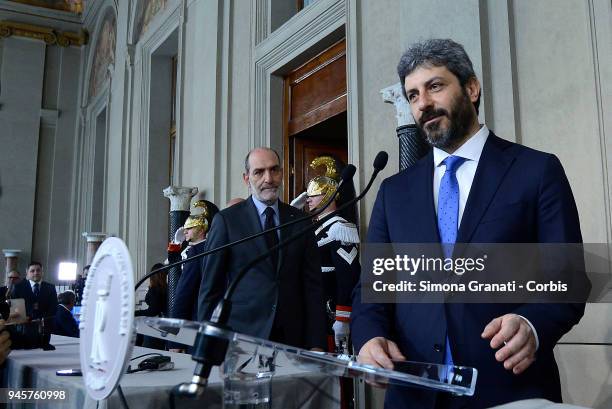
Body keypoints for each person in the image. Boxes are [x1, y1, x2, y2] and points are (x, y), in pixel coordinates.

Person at [351, 39, 585, 409]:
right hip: (414, 394)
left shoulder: (536, 171)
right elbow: (371, 289)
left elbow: (568, 278)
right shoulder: (393, 192)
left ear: (472, 88)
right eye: (412, 95)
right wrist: (368, 338)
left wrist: (532, 323)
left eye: (435, 86)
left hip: (507, 388)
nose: (423, 103)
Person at [198, 147, 327, 350]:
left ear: (282, 173)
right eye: (259, 172)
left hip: (293, 339)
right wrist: (206, 347)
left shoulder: (301, 221)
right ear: (246, 178)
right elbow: (210, 289)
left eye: (274, 170)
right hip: (241, 339)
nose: (269, 178)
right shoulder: (227, 221)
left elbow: (313, 287)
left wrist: (317, 344)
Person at [300, 156, 361, 354]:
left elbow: (348, 276)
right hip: (314, 313)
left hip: (331, 314)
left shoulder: (340, 228)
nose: (308, 199)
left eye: (313, 194)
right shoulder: (314, 228)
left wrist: (343, 317)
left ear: (329, 194)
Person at [169, 200, 218, 352]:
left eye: (190, 228)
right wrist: (176, 243)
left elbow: (183, 295)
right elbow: (173, 265)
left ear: (201, 229)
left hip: (197, 319)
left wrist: (175, 338)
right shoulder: (193, 250)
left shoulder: (198, 251)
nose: (186, 232)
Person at [12, 262, 58, 348]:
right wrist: (26, 318)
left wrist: (41, 319)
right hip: (23, 330)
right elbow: (15, 309)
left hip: (44, 331)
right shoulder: (18, 287)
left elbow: (53, 308)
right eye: (32, 271)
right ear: (27, 272)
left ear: (42, 272)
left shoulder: (50, 288)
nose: (36, 273)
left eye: (38, 270)